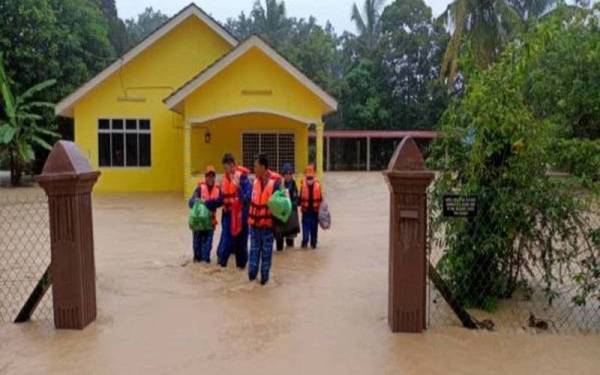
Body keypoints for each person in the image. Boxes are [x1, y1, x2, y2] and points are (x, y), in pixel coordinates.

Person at [248, 153, 280, 285]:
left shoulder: (275, 185)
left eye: (255, 166)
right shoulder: (254, 182)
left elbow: (281, 206)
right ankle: (251, 283)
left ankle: (263, 284)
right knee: (253, 258)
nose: (254, 169)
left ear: (263, 167)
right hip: (254, 227)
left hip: (267, 228)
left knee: (266, 258)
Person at [217, 153, 252, 269]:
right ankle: (221, 267)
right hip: (228, 216)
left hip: (241, 216)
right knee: (226, 243)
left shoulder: (242, 178)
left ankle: (241, 268)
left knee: (241, 246)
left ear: (232, 165)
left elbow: (248, 196)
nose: (224, 170)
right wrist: (207, 204)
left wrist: (239, 188)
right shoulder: (224, 180)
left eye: (225, 167)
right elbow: (221, 199)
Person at [188, 165, 222, 263]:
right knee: (197, 255)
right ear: (205, 177)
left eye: (212, 176)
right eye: (208, 176)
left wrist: (209, 203)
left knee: (206, 256)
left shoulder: (218, 190)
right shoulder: (199, 189)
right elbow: (190, 203)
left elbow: (221, 202)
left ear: (214, 177)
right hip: (198, 225)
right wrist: (196, 201)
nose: (210, 178)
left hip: (209, 224)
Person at [274, 163, 299, 251]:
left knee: (290, 245)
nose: (288, 176)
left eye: (290, 174)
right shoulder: (278, 184)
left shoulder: (294, 184)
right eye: (286, 174)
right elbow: (274, 199)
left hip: (291, 215)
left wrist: (291, 204)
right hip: (280, 216)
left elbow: (296, 200)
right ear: (283, 174)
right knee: (279, 244)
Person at [299, 165, 323, 249]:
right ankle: (304, 242)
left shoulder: (318, 185)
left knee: (314, 230)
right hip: (305, 212)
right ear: (305, 176)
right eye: (308, 178)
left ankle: (313, 243)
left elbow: (320, 199)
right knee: (305, 232)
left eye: (311, 177)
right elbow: (299, 199)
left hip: (314, 212)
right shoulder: (303, 185)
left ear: (314, 176)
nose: (309, 179)